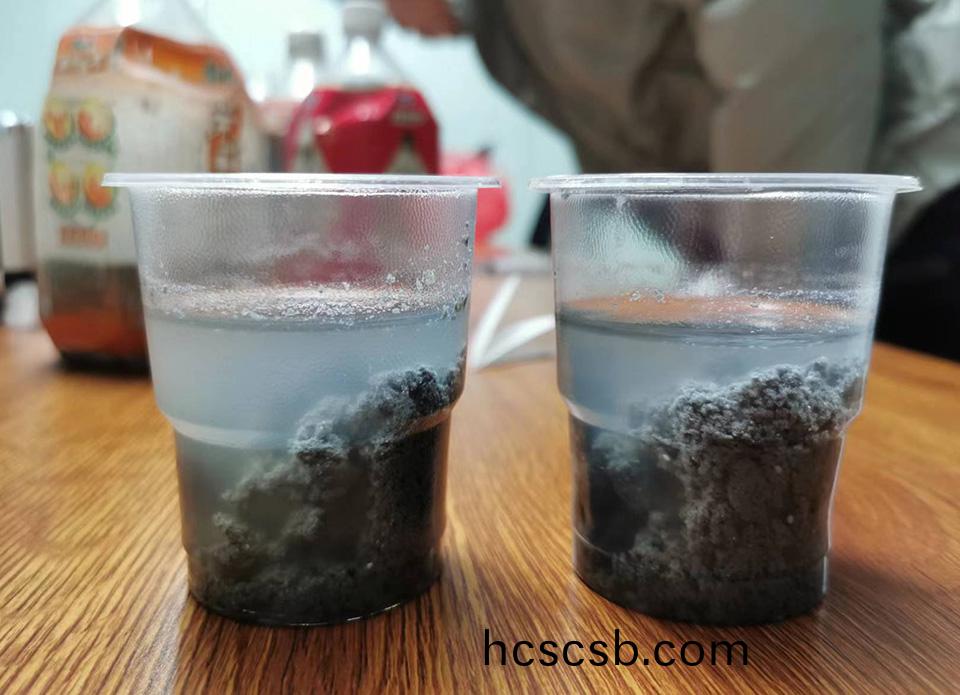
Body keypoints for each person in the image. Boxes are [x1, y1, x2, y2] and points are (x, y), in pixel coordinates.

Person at [387, 0, 960, 360]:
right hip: (774, 230)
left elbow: (796, 56)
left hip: (903, 191)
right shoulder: (507, 21)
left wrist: (756, 300)